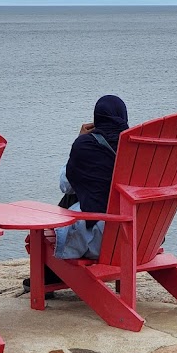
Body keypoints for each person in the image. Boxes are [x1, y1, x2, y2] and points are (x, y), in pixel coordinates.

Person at [23, 95, 129, 293]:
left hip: (102, 241)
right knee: (76, 196)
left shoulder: (86, 146)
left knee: (66, 203)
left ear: (97, 118)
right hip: (138, 236)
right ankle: (50, 273)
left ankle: (47, 275)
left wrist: (80, 140)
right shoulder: (138, 147)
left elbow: (66, 184)